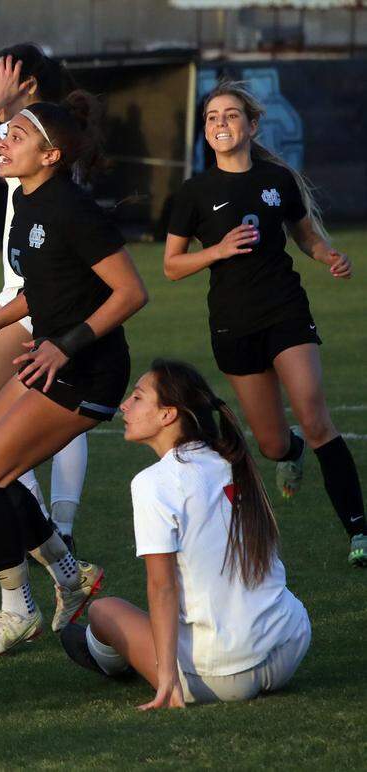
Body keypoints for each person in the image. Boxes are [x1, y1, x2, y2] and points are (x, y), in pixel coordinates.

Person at [0, 96, 148, 656]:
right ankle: (71, 578)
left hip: (89, 372)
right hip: (51, 359)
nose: (3, 141)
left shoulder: (73, 209)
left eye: (17, 135)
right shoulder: (28, 203)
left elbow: (131, 293)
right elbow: (43, 289)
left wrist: (64, 345)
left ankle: (17, 611)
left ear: (50, 154)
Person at [163, 80, 364, 567]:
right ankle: (290, 452)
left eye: (231, 116)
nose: (220, 125)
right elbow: (172, 265)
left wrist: (327, 255)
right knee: (274, 443)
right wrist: (218, 250)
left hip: (285, 310)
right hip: (233, 324)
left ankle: (359, 529)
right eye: (212, 117)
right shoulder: (193, 193)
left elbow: (306, 235)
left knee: (316, 419)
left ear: (252, 125)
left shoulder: (277, 180)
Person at [61, 360, 311, 708]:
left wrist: (168, 678)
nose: (124, 406)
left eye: (137, 397)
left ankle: (111, 660)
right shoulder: (230, 459)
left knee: (104, 610)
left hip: (227, 677)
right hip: (291, 643)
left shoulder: (154, 482)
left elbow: (162, 587)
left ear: (168, 415)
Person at [0, 47, 92, 551]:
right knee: (19, 412)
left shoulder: (38, 134)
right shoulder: (22, 136)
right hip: (29, 292)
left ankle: (50, 531)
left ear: (24, 82)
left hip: (40, 295)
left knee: (5, 419)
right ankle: (55, 530)